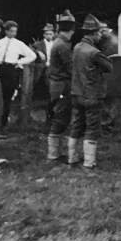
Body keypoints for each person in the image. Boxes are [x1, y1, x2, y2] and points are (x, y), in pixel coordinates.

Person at [66, 14, 114, 168]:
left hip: (76, 93)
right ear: (93, 34)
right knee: (92, 128)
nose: (101, 35)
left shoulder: (77, 47)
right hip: (92, 94)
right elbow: (110, 67)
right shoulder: (94, 52)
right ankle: (89, 162)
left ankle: (71, 158)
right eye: (99, 33)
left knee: (76, 125)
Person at [46, 11, 75, 161]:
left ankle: (54, 153)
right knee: (61, 117)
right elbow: (70, 68)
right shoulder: (63, 45)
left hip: (57, 84)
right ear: (72, 29)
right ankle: (52, 154)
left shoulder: (60, 42)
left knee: (60, 116)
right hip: (63, 85)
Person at [0, 20, 36, 129]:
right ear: (6, 31)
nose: (14, 33)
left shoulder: (18, 44)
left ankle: (3, 125)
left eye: (15, 31)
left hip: (11, 69)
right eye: (12, 31)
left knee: (8, 97)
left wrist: (19, 62)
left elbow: (32, 55)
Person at [31, 23, 56, 103]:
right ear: (44, 35)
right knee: (34, 85)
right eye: (46, 34)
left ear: (53, 34)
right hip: (40, 67)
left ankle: (50, 103)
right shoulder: (38, 44)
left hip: (51, 67)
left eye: (50, 34)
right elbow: (29, 49)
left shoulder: (56, 44)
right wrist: (38, 52)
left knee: (51, 86)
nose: (48, 36)